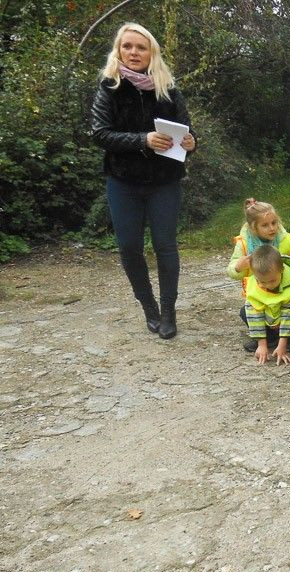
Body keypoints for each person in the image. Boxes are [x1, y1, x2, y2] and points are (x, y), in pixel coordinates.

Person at [91, 22, 196, 339]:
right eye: (127, 46)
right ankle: (149, 308)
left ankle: (168, 313)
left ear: (152, 52)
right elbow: (100, 134)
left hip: (164, 181)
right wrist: (144, 140)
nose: (134, 52)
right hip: (122, 182)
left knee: (166, 247)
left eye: (140, 47)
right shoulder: (109, 88)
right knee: (129, 247)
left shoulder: (168, 89)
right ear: (119, 50)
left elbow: (186, 132)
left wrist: (192, 143)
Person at [244, 245, 290, 366]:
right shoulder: (255, 284)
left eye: (272, 281)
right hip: (269, 315)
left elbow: (288, 316)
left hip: (285, 317)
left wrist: (282, 345)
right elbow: (254, 314)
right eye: (262, 282)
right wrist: (262, 344)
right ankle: (268, 337)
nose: (268, 285)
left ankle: (288, 339)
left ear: (281, 270)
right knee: (245, 310)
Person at [227, 199, 290, 298]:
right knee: (245, 313)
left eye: (274, 223)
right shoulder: (244, 244)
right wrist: (238, 268)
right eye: (265, 225)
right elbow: (231, 270)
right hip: (257, 292)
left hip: (285, 290)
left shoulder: (285, 240)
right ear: (253, 228)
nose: (272, 228)